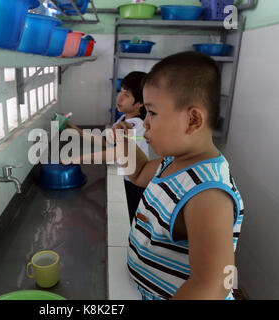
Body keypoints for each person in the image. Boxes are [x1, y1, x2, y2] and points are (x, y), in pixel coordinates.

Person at [113, 51, 244, 300]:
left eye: (152, 112)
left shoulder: (208, 191)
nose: (146, 123)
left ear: (192, 120)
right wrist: (125, 141)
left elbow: (214, 285)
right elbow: (139, 174)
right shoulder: (174, 161)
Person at [66, 71, 151, 224]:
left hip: (133, 184)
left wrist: (78, 159)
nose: (119, 97)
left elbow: (116, 153)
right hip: (127, 178)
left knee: (130, 221)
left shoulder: (135, 125)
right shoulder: (123, 119)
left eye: (127, 94)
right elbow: (107, 141)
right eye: (121, 91)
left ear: (139, 104)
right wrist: (76, 130)